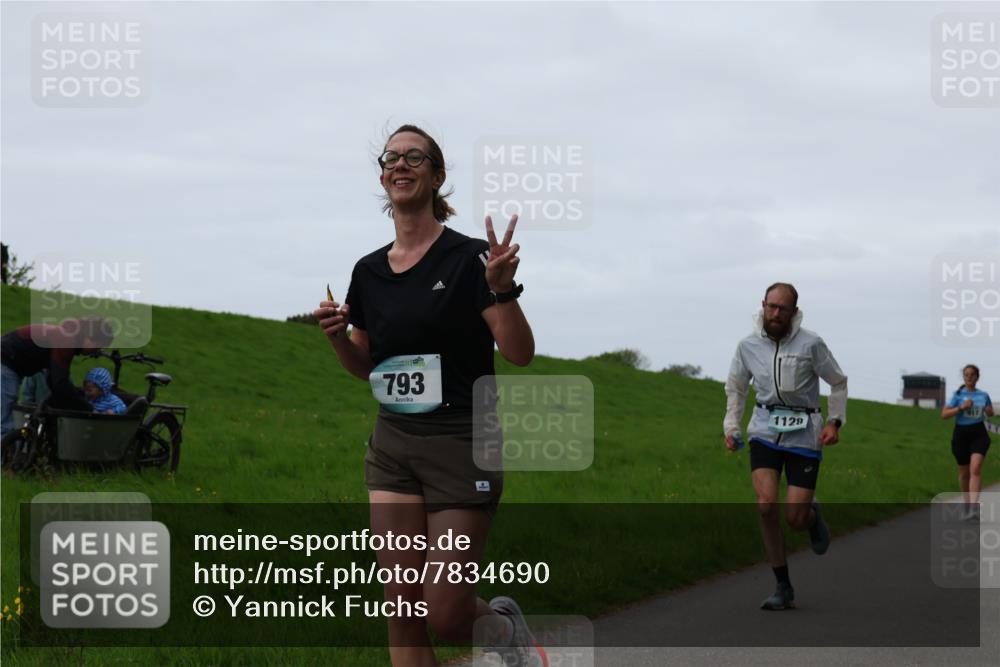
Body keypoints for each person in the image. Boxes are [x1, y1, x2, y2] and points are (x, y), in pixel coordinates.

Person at [314, 125, 542, 667]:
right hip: (393, 444)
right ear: (382, 178)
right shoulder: (368, 271)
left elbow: (519, 353)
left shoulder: (470, 258)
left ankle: (506, 632)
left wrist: (502, 290)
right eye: (391, 157)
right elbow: (367, 367)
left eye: (414, 157)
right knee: (402, 608)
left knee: (445, 612)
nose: (400, 164)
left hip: (462, 442)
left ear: (437, 177)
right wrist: (339, 340)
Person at [723, 283, 847, 610]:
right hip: (764, 429)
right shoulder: (747, 346)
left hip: (804, 433)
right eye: (771, 306)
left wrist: (834, 421)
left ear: (794, 312)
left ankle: (811, 516)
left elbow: (838, 382)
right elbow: (736, 388)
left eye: (783, 309)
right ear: (763, 305)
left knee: (794, 518)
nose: (776, 314)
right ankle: (782, 585)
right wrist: (731, 427)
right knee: (766, 505)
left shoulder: (811, 344)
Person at [1, 317, 115, 435]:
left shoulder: (66, 337)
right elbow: (60, 384)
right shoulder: (67, 341)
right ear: (90, 338)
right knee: (4, 426)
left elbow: (54, 381)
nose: (96, 351)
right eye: (98, 346)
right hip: (5, 362)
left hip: (8, 361)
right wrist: (90, 410)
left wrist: (77, 399)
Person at [941, 364, 994, 521]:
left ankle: (973, 508)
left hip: (979, 433)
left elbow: (990, 411)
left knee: (975, 468)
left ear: (977, 377)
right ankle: (967, 504)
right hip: (961, 435)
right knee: (964, 473)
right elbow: (944, 414)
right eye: (966, 375)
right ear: (963, 377)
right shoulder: (957, 395)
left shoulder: (983, 395)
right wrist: (961, 408)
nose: (969, 377)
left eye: (972, 375)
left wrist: (989, 411)